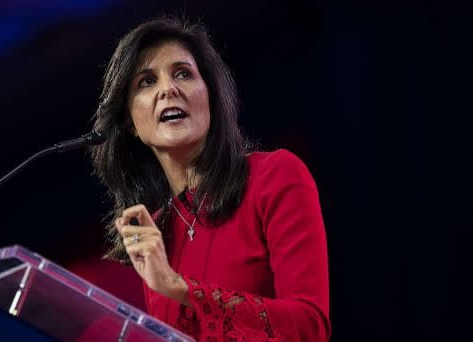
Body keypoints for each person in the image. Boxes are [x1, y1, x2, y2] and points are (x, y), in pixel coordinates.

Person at [89, 17, 330, 341]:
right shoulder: (157, 232)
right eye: (146, 81)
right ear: (131, 123)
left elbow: (308, 327)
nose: (168, 89)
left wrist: (178, 287)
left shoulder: (275, 176)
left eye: (183, 73)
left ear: (211, 98)